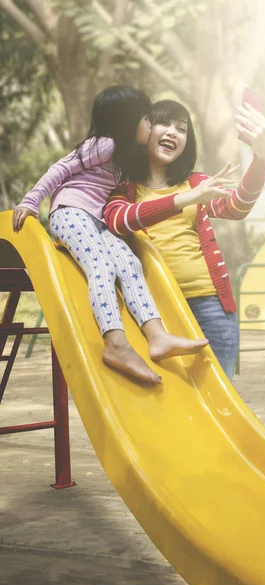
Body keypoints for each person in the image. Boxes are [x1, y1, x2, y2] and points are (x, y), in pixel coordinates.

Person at [12, 86, 211, 385]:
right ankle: (116, 343)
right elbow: (60, 169)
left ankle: (157, 336)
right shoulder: (105, 145)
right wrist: (31, 200)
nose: (151, 125)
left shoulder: (129, 157)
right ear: (129, 123)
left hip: (96, 219)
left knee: (130, 264)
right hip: (71, 211)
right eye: (147, 119)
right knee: (102, 267)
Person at [104, 99, 265, 380]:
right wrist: (186, 199)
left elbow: (238, 207)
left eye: (181, 129)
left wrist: (263, 159)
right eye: (163, 123)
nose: (173, 132)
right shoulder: (122, 188)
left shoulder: (196, 183)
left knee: (221, 396)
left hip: (210, 306)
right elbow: (119, 221)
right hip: (152, 312)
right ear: (144, 131)